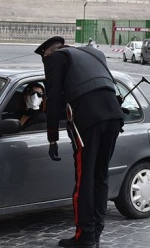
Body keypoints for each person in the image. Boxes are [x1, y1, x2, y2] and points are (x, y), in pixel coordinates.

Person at [35, 36, 124, 248]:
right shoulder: (94, 53)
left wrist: (52, 138)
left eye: (44, 59)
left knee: (84, 181)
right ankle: (95, 234)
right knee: (100, 177)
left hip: (88, 121)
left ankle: (84, 236)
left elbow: (54, 98)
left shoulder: (55, 58)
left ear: (48, 53)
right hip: (113, 116)